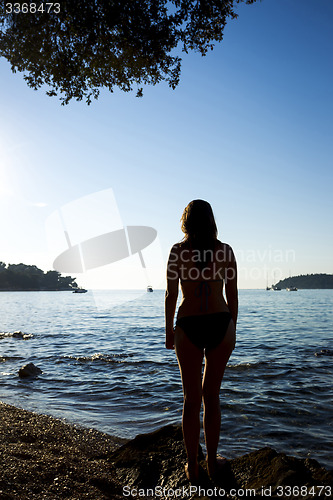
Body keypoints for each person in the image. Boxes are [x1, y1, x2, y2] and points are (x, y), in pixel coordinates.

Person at [165, 200, 238, 482]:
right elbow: (232, 296)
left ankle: (192, 466)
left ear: (186, 222)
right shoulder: (225, 251)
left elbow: (171, 296)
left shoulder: (177, 252)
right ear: (211, 221)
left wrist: (169, 331)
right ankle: (211, 462)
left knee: (190, 398)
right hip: (221, 323)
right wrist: (232, 327)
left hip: (188, 324)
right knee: (212, 397)